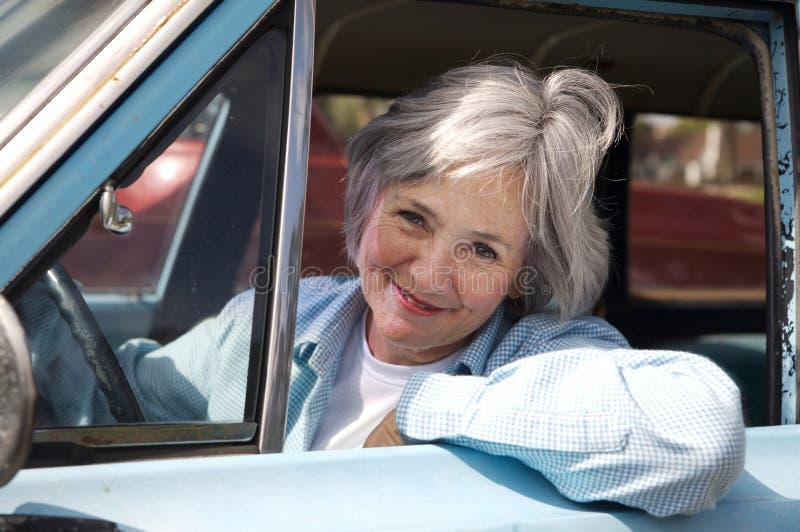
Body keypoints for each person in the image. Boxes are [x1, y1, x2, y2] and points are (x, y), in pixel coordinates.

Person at [20, 62, 745, 517]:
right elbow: (114, 413)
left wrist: (422, 410)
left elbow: (697, 438)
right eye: (413, 217)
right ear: (367, 200)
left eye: (482, 249)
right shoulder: (277, 323)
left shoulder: (541, 355)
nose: (431, 273)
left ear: (530, 268)